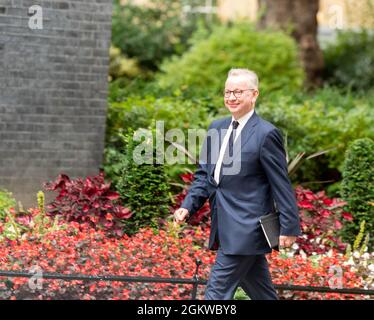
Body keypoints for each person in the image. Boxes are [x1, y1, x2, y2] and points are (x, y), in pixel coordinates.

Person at [174, 68, 301, 300]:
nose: (231, 97)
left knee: (216, 293)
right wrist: (188, 205)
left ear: (254, 95)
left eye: (238, 92)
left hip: (247, 228)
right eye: (227, 92)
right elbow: (206, 175)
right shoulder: (216, 128)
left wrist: (289, 226)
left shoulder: (266, 134)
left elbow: (280, 183)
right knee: (262, 294)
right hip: (225, 225)